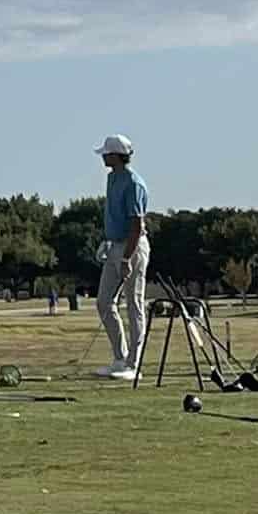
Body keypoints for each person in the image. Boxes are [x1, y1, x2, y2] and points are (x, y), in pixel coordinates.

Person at [94, 135, 151, 382]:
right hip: (114, 245)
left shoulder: (134, 183)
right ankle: (120, 357)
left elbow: (136, 225)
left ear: (116, 155)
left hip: (133, 247)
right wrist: (107, 241)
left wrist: (127, 257)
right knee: (104, 302)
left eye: (107, 153)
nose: (104, 157)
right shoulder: (112, 179)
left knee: (134, 304)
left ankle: (134, 364)